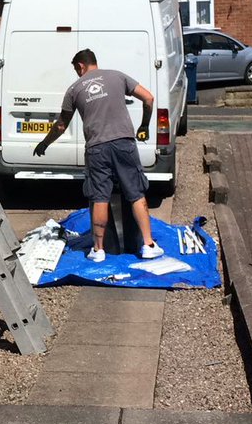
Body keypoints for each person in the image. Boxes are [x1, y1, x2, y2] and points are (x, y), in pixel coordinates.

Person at [33, 48, 164, 263]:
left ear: (81, 66)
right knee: (136, 193)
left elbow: (61, 125)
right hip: (124, 143)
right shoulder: (118, 76)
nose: (77, 73)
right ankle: (148, 245)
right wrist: (144, 126)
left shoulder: (74, 89)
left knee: (99, 196)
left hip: (97, 149)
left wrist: (44, 143)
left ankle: (98, 250)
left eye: (77, 69)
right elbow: (148, 98)